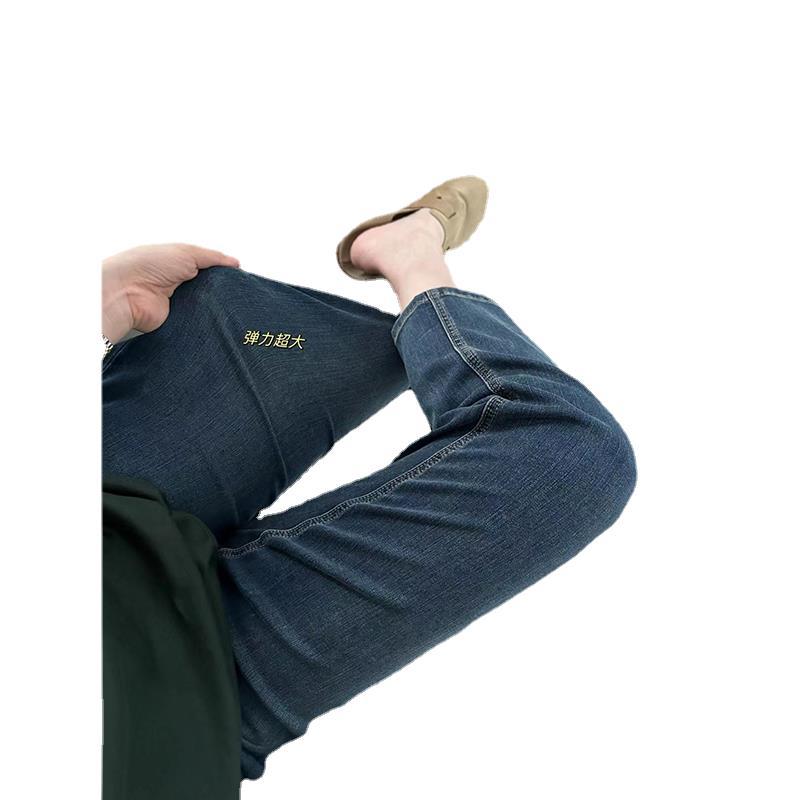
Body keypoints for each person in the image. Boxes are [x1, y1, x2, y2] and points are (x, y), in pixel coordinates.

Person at [102, 177, 637, 796]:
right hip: (181, 695)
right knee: (567, 454)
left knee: (262, 334)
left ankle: (394, 279)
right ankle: (413, 260)